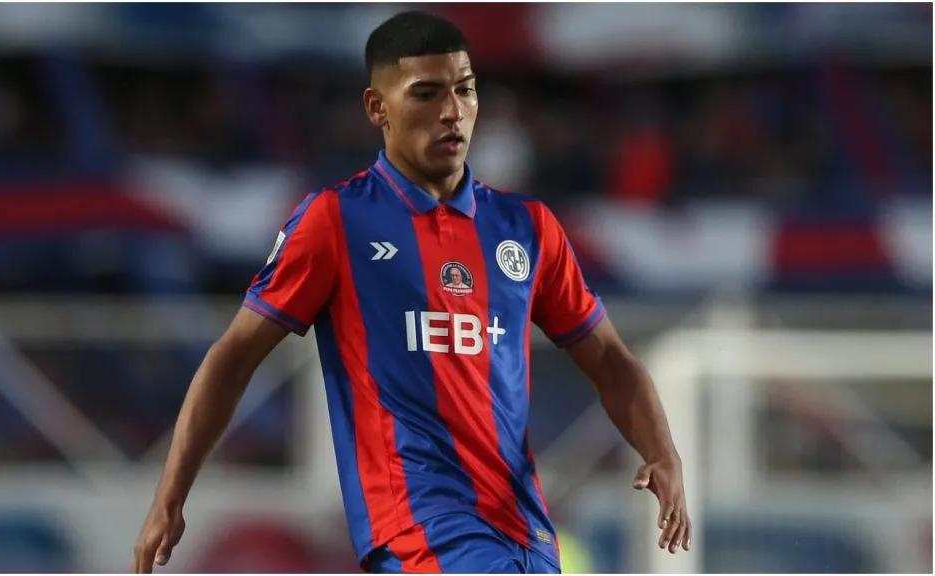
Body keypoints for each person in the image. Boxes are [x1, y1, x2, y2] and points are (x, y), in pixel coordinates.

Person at [133, 10, 692, 574]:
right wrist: (171, 494)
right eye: (426, 94)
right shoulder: (336, 221)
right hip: (420, 538)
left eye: (465, 91)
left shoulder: (527, 228)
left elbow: (612, 361)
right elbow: (233, 357)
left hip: (527, 540)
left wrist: (662, 452)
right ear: (378, 108)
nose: (452, 111)